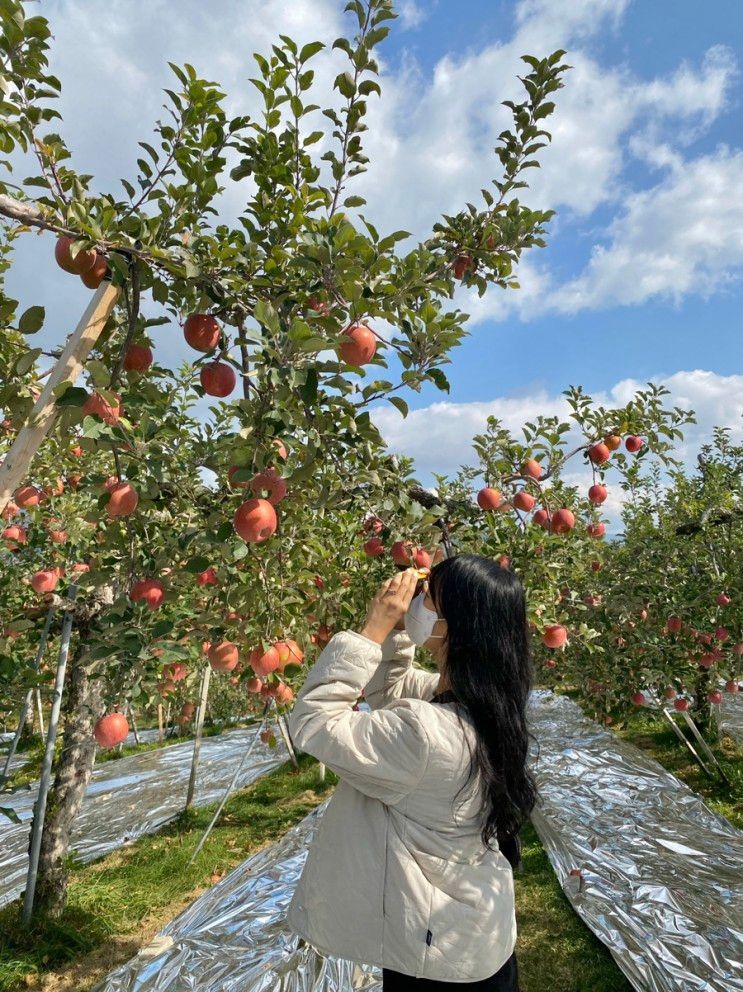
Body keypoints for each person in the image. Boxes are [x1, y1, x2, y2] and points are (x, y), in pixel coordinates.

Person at [285, 553, 537, 990]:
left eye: (429, 599)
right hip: (471, 932)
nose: (416, 605)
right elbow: (393, 690)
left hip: (434, 956)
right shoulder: (487, 705)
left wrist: (371, 632)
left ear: (454, 624)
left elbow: (313, 724)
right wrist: (400, 637)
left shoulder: (423, 733)